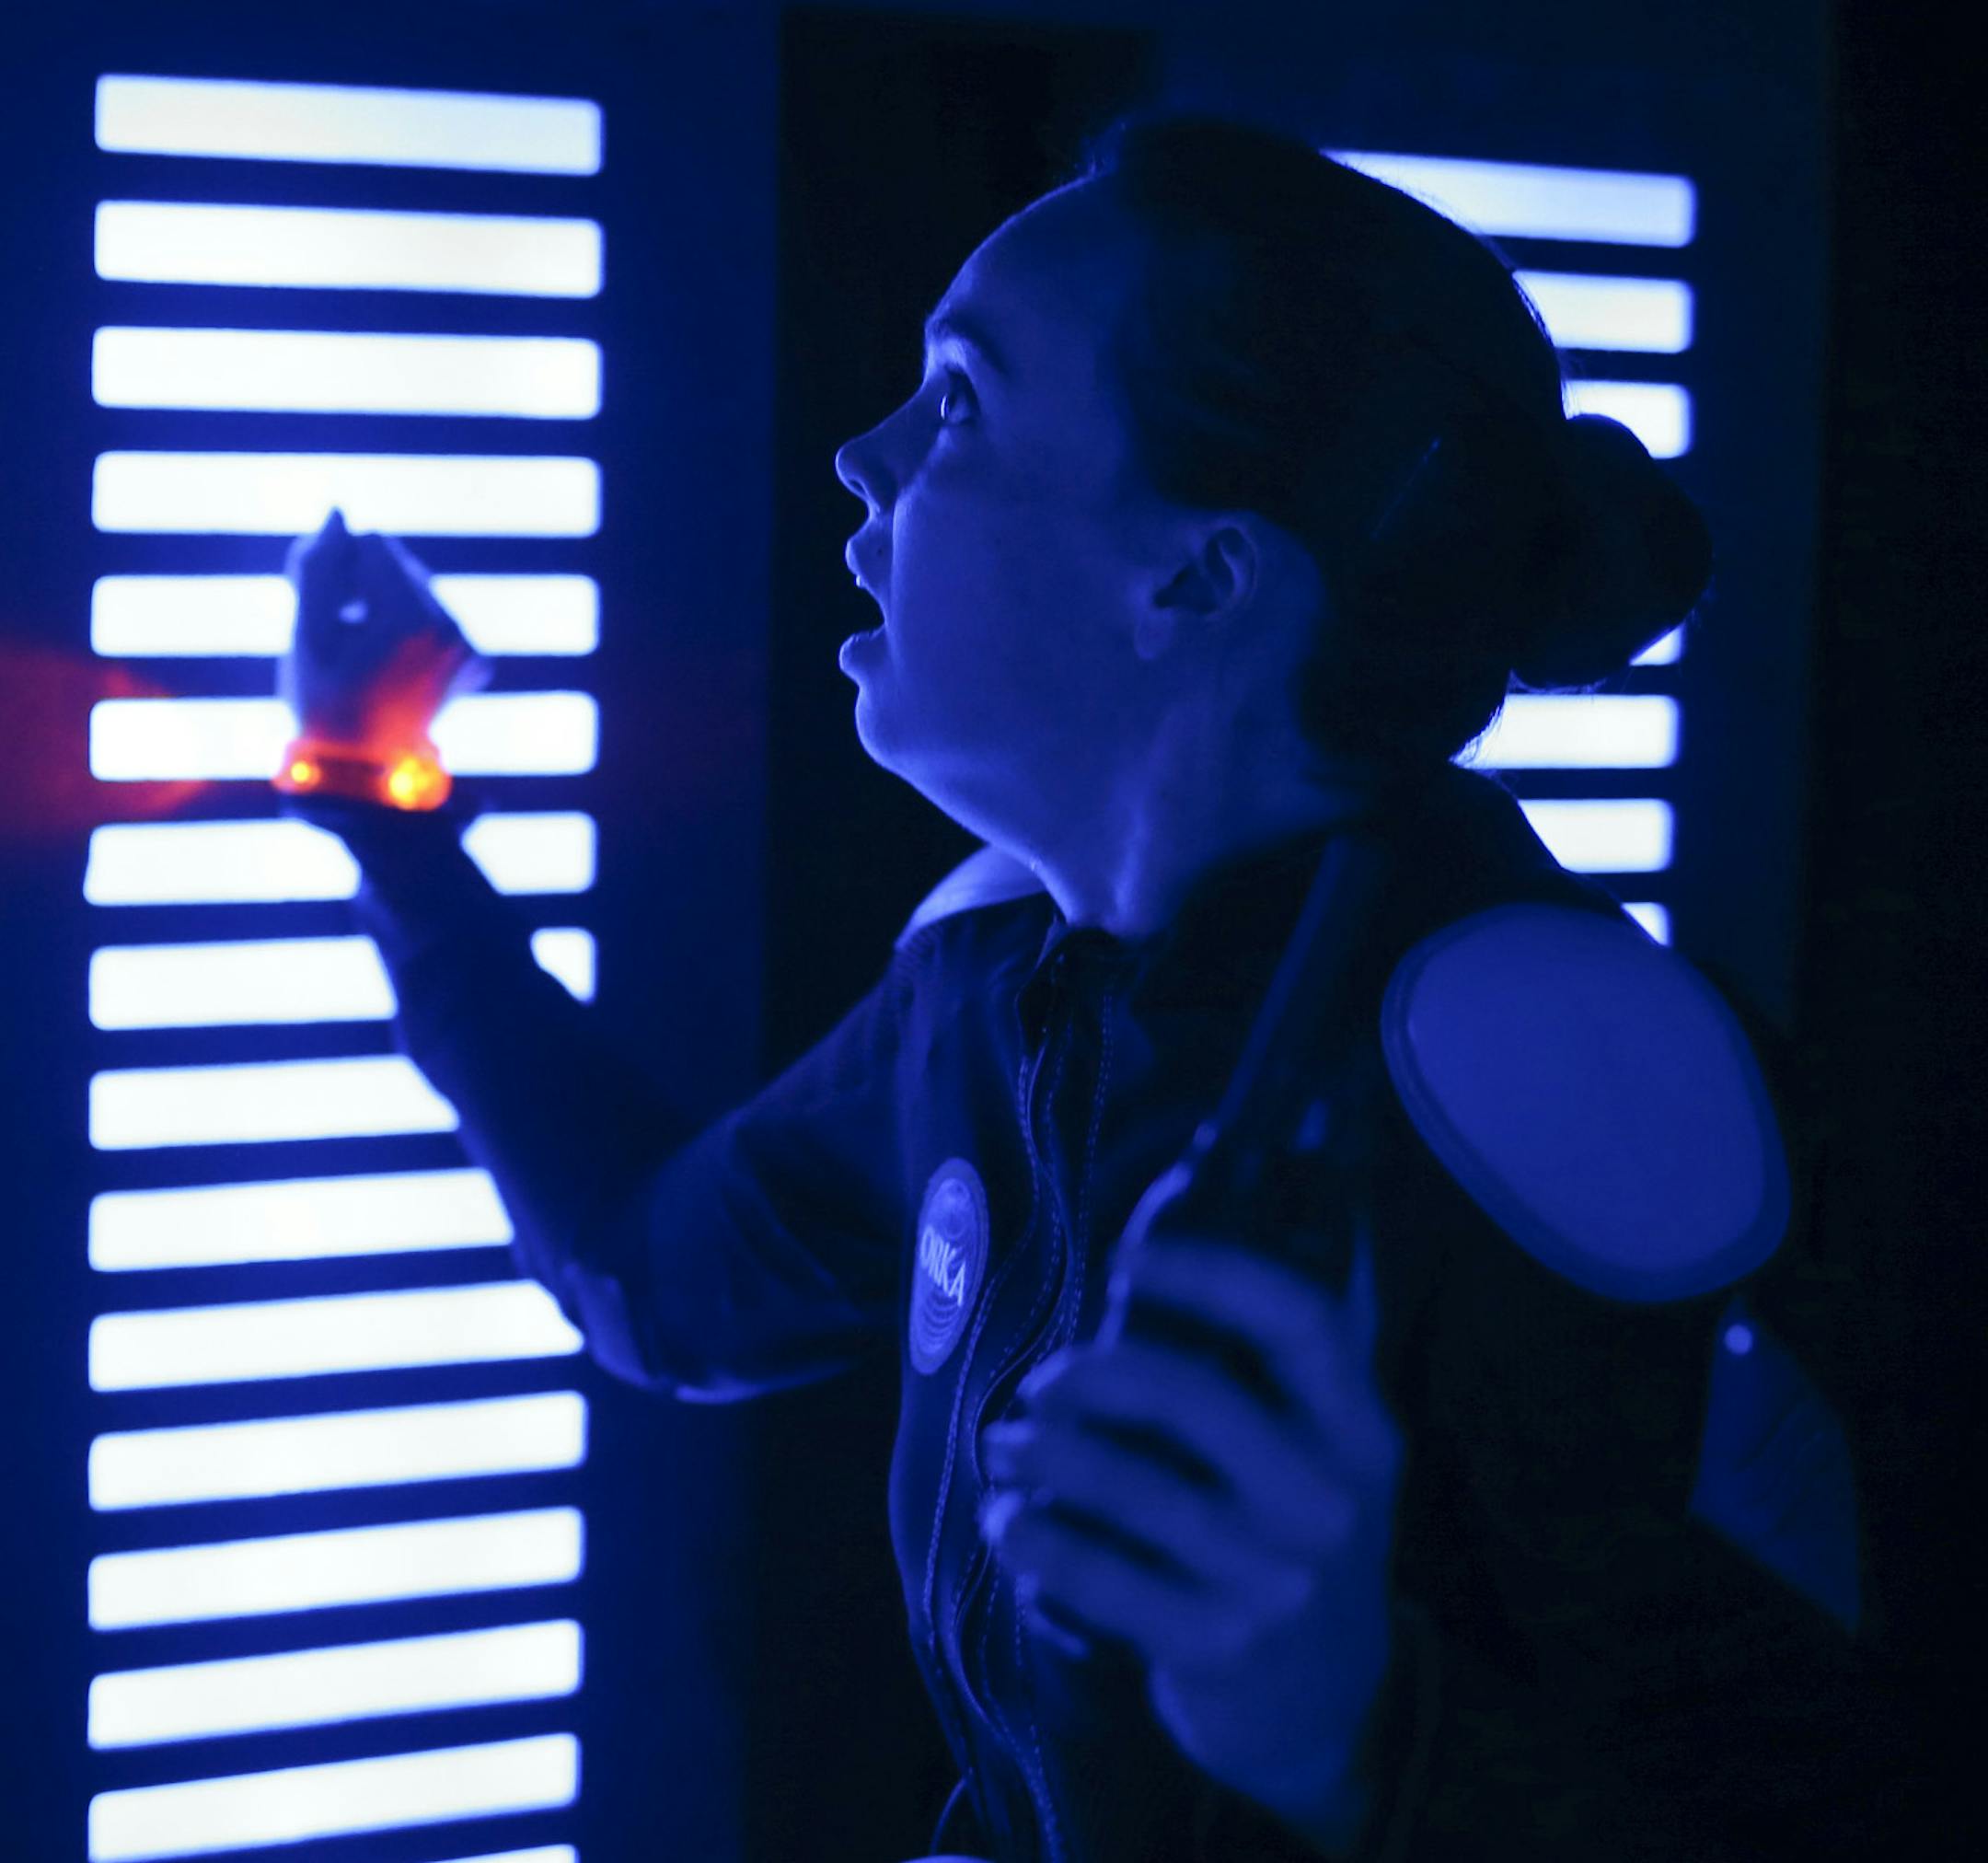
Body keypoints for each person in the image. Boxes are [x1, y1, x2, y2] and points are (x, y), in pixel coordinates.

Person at [274, 113, 1877, 1861]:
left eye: (959, 399)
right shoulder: (983, 976)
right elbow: (658, 1284)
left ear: (1198, 575)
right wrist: (384, 806)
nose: (859, 455)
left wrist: (1350, 1733)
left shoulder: (1561, 1067)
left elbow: (1817, 1804)